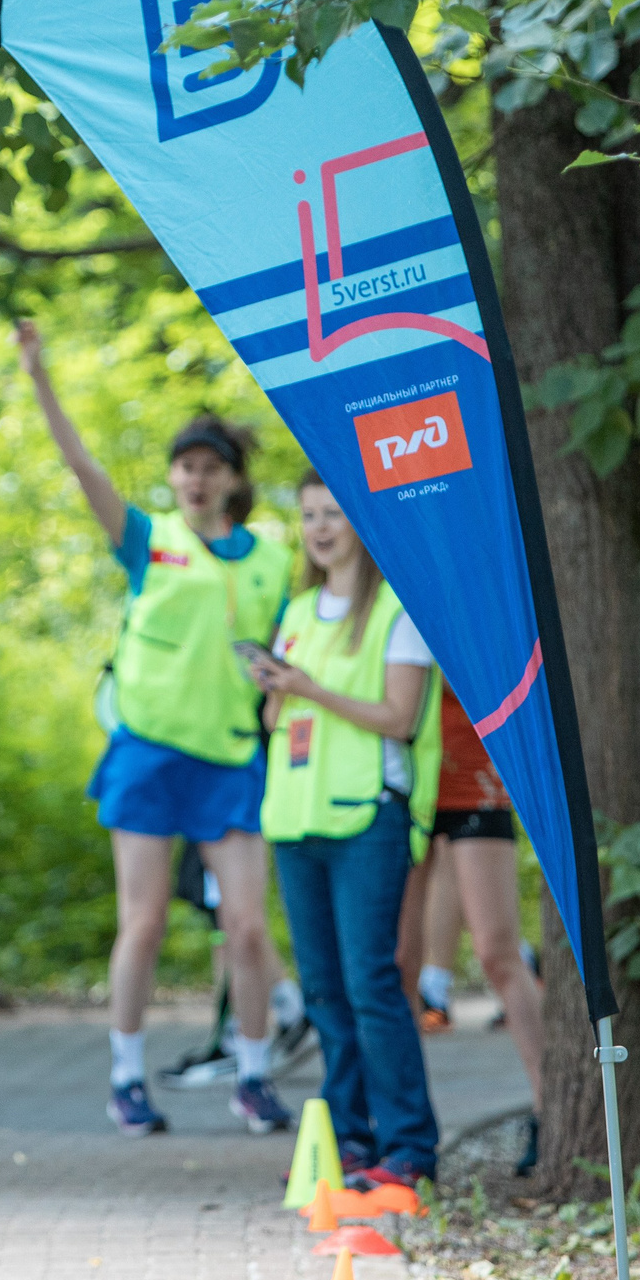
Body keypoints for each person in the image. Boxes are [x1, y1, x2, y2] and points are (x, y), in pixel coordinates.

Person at [14, 321, 295, 1139]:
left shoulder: (273, 560)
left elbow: (293, 650)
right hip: (147, 752)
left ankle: (252, 1074)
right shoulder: (149, 540)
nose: (195, 478)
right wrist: (39, 375)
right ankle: (127, 1076)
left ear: (234, 479)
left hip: (233, 757)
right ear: (173, 476)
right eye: (185, 466)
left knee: (247, 925)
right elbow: (81, 466)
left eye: (211, 467)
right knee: (144, 920)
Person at [245, 472, 443, 1192]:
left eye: (333, 513)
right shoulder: (295, 609)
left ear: (361, 521)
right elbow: (275, 722)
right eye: (308, 515)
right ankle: (352, 1137)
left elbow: (400, 717)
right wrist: (275, 689)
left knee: (371, 981)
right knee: (324, 988)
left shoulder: (399, 608)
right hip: (297, 819)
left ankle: (409, 1144)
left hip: (366, 815)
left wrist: (307, 688)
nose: (321, 527)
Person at [412, 684, 546, 1174]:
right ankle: (400, 1128)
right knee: (397, 963)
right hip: (404, 783)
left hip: (474, 780)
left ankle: (547, 1107)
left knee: (497, 951)